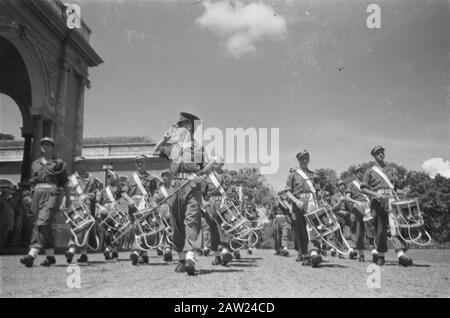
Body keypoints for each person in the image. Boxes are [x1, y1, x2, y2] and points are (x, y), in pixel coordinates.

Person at [159, 112, 206, 276]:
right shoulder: (173, 148)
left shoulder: (198, 148)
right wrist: (164, 139)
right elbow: (155, 152)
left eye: (184, 125)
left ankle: (191, 258)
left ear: (191, 128)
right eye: (180, 126)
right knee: (176, 222)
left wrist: (199, 177)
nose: (181, 129)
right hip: (174, 187)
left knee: (192, 219)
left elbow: (203, 171)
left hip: (192, 188)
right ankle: (180, 258)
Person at [20, 137, 71, 267]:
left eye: (48, 144)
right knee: (42, 225)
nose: (44, 146)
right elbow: (32, 181)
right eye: (43, 144)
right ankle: (50, 257)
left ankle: (32, 254)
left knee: (43, 222)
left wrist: (68, 198)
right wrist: (28, 195)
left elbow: (65, 183)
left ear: (53, 148)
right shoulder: (35, 163)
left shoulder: (59, 163)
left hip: (52, 194)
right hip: (36, 194)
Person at [360, 145, 413, 267]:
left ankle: (400, 255)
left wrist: (403, 191)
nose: (380, 155)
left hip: (392, 200)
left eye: (382, 152)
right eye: (378, 153)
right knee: (380, 229)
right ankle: (381, 255)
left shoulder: (392, 170)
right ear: (374, 156)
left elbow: (396, 188)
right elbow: (363, 188)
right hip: (378, 202)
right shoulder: (370, 171)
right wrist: (375, 194)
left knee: (396, 227)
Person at [282, 150, 323, 267]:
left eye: (306, 158)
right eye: (301, 159)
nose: (304, 160)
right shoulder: (293, 175)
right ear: (298, 161)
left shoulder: (313, 175)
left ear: (309, 159)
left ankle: (314, 252)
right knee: (300, 230)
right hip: (298, 202)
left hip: (312, 202)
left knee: (313, 228)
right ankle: (304, 254)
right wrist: (296, 201)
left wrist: (320, 196)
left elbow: (318, 191)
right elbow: (287, 192)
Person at [64, 156, 103, 264]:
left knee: (84, 228)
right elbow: (66, 193)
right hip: (74, 207)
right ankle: (83, 254)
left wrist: (95, 198)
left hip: (86, 206)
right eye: (77, 163)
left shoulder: (91, 177)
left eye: (81, 163)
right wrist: (64, 203)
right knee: (75, 227)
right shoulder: (71, 179)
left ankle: (72, 250)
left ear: (84, 164)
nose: (79, 165)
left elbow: (99, 190)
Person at [125, 155, 159, 266]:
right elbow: (123, 192)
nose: (140, 164)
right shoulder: (130, 178)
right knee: (136, 228)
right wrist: (129, 200)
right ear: (136, 164)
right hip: (134, 206)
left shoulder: (151, 179)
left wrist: (154, 202)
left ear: (146, 163)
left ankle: (139, 252)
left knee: (144, 229)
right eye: (138, 162)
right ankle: (141, 253)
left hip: (146, 205)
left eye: (142, 162)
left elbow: (155, 193)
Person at [344, 164, 376, 262]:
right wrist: (356, 202)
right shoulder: (351, 184)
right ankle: (361, 254)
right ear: (355, 173)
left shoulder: (366, 184)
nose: (359, 173)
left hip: (367, 207)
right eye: (357, 171)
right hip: (357, 209)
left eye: (361, 171)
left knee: (371, 229)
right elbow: (347, 198)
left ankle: (374, 251)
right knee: (359, 232)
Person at [330, 180, 358, 259]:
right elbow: (333, 207)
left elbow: (351, 208)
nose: (342, 186)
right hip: (338, 216)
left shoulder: (348, 196)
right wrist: (339, 201)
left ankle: (351, 250)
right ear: (338, 187)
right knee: (338, 235)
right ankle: (340, 252)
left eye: (343, 185)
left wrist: (346, 201)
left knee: (348, 234)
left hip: (346, 216)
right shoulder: (334, 196)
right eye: (340, 185)